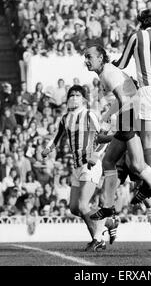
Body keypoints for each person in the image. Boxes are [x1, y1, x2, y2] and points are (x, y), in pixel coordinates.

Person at [84, 45, 151, 225]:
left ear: (101, 57)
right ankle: (108, 206)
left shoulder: (109, 73)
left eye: (89, 57)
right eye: (85, 57)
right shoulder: (106, 73)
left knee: (138, 165)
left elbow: (125, 100)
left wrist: (119, 127)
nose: (86, 60)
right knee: (109, 161)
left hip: (131, 116)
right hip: (130, 116)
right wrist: (106, 118)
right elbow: (122, 98)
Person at [112, 9, 151, 213]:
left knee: (148, 142)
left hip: (149, 91)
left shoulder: (136, 36)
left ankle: (149, 187)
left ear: (141, 22)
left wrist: (109, 67)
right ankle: (150, 186)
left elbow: (121, 63)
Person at [42, 85, 117, 251]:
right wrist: (48, 149)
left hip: (89, 164)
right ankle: (108, 222)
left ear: (84, 98)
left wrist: (96, 155)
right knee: (75, 208)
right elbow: (57, 136)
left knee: (83, 206)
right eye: (71, 95)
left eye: (77, 95)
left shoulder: (89, 114)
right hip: (76, 165)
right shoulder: (65, 118)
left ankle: (97, 240)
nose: (74, 97)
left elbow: (103, 137)